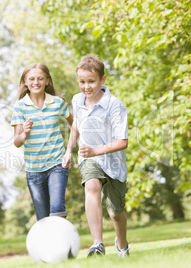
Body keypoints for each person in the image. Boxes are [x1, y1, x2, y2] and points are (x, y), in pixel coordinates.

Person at [62, 54, 130, 258]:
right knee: (91, 185)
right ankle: (97, 243)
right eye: (82, 82)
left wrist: (96, 151)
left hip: (113, 162)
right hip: (89, 158)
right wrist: (69, 150)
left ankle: (123, 245)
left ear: (103, 80)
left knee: (115, 213)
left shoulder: (114, 105)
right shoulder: (77, 99)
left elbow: (122, 142)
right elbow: (76, 126)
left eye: (91, 81)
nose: (86, 86)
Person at [11, 63, 73, 221]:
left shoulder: (57, 103)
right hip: (34, 170)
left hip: (56, 164)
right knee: (43, 218)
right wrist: (25, 133)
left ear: (47, 81)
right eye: (31, 79)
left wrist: (69, 151)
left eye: (40, 78)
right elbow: (17, 142)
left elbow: (75, 126)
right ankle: (50, 246)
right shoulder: (20, 107)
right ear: (25, 81)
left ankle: (63, 245)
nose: (35, 82)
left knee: (58, 210)